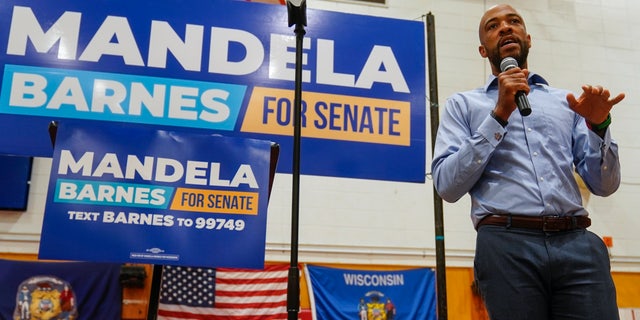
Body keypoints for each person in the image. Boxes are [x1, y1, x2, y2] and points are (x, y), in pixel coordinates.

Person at [431, 4, 625, 320]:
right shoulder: (462, 105)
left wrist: (599, 126)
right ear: (483, 50)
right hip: (507, 246)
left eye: (514, 22)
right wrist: (498, 116)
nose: (505, 28)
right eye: (493, 26)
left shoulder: (568, 103)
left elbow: (605, 185)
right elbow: (447, 185)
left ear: (529, 38)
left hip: (577, 242)